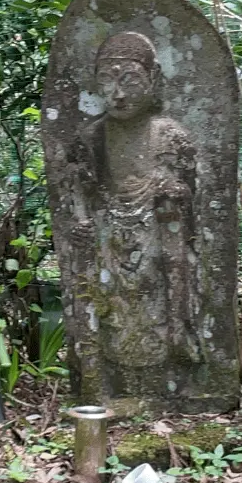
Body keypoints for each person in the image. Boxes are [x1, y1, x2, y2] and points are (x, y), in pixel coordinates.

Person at [71, 30, 202, 395]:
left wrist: (174, 196)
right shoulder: (92, 138)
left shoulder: (171, 136)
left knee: (158, 304)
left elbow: (192, 202)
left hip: (159, 237)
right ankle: (113, 382)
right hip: (109, 238)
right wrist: (83, 220)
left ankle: (173, 368)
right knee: (113, 312)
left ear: (153, 79)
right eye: (107, 81)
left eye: (129, 80)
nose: (118, 93)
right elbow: (82, 193)